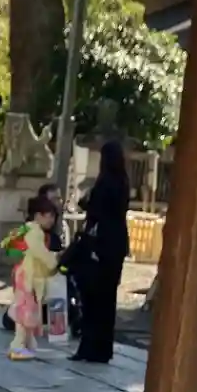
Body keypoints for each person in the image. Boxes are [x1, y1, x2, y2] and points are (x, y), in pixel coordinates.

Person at [64, 140, 131, 363]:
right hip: (116, 245)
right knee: (108, 300)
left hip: (99, 245)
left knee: (92, 298)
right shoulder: (123, 182)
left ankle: (89, 347)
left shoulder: (104, 183)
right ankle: (103, 348)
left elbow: (95, 210)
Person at [4, 196, 62, 360]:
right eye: (48, 216)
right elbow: (39, 252)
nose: (51, 220)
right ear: (37, 215)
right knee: (25, 311)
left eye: (53, 217)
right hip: (27, 277)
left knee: (29, 310)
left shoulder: (33, 230)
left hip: (28, 275)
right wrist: (54, 260)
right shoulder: (34, 232)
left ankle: (28, 343)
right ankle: (18, 346)